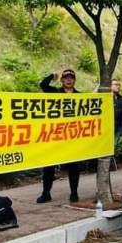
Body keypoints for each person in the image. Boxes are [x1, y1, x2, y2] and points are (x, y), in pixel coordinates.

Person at [37, 68, 81, 204]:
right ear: (62, 80)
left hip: (72, 137)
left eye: (71, 78)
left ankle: (74, 192)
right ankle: (46, 193)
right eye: (66, 77)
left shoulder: (81, 96)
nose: (68, 80)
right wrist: (52, 75)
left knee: (74, 166)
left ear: (74, 80)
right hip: (55, 135)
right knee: (49, 166)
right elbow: (43, 85)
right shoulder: (55, 92)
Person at [110, 79, 122, 144]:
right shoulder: (105, 97)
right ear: (110, 86)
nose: (118, 86)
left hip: (119, 127)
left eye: (119, 85)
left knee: (115, 145)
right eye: (116, 84)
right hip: (107, 127)